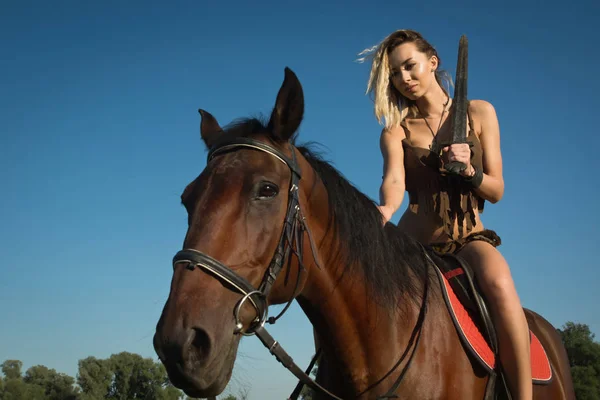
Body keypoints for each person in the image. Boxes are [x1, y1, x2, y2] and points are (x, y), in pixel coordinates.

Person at [358, 29, 532, 399]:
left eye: (410, 66)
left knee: (500, 283)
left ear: (432, 62)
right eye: (395, 73)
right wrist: (386, 208)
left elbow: (497, 190)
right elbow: (393, 180)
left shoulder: (479, 112)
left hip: (468, 240)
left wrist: (471, 172)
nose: (404, 78)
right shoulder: (395, 130)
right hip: (414, 246)